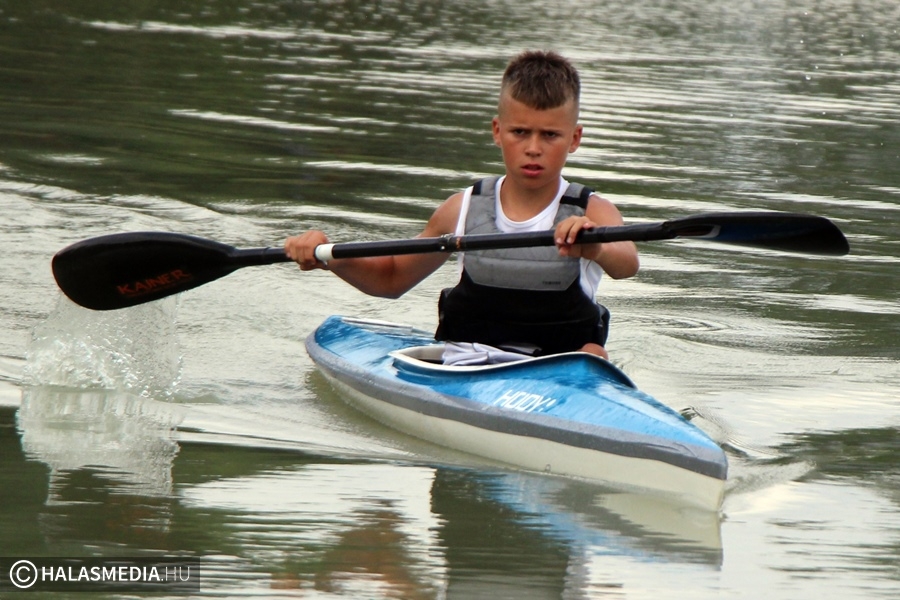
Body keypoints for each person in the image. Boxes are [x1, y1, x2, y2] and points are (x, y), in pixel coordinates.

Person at [285, 50, 639, 363]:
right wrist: (327, 254)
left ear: (574, 138)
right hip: (466, 363)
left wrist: (596, 247)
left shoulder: (594, 211)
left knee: (594, 354)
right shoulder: (462, 209)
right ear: (497, 131)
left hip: (562, 371)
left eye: (550, 135)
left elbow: (627, 264)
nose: (534, 148)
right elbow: (391, 279)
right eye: (520, 132)